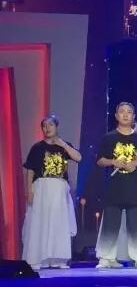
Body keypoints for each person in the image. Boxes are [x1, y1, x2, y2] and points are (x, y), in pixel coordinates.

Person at [22, 115, 82, 270]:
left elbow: (78, 157)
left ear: (57, 127)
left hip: (59, 189)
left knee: (58, 223)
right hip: (42, 187)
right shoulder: (37, 148)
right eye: (44, 125)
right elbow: (30, 170)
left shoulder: (64, 146)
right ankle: (38, 258)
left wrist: (63, 144)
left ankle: (58, 259)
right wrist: (29, 191)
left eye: (50, 125)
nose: (47, 128)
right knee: (40, 222)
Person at [96, 102, 137, 268]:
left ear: (133, 116)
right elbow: (100, 160)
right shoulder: (108, 137)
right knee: (110, 224)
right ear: (116, 116)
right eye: (122, 112)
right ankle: (106, 258)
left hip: (134, 187)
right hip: (114, 187)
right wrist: (113, 162)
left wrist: (135, 163)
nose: (125, 115)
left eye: (129, 112)